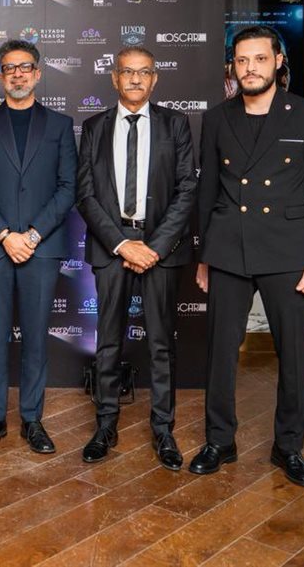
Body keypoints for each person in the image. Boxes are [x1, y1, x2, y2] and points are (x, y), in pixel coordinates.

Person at [192, 26, 304, 488]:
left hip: (289, 252)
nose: (249, 68)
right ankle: (220, 441)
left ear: (278, 61)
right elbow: (207, 192)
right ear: (232, 67)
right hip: (227, 250)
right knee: (220, 353)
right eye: (241, 60)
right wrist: (203, 255)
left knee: (292, 355)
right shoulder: (217, 118)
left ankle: (288, 447)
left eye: (258, 58)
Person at [76, 47, 197, 470]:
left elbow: (186, 189)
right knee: (108, 342)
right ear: (114, 77)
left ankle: (164, 430)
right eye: (127, 72)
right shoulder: (94, 127)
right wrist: (121, 244)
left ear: (154, 79)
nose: (135, 79)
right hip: (112, 247)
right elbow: (85, 194)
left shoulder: (175, 124)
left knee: (162, 344)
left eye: (143, 72)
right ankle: (105, 426)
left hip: (160, 249)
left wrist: (154, 246)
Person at [0, 40, 77, 455]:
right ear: (1, 75)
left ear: (38, 73)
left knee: (35, 339)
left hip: (40, 248)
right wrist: (5, 235)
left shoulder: (61, 125)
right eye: (9, 67)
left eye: (25, 67)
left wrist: (31, 235)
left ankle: (32, 419)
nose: (17, 74)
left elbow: (68, 188)